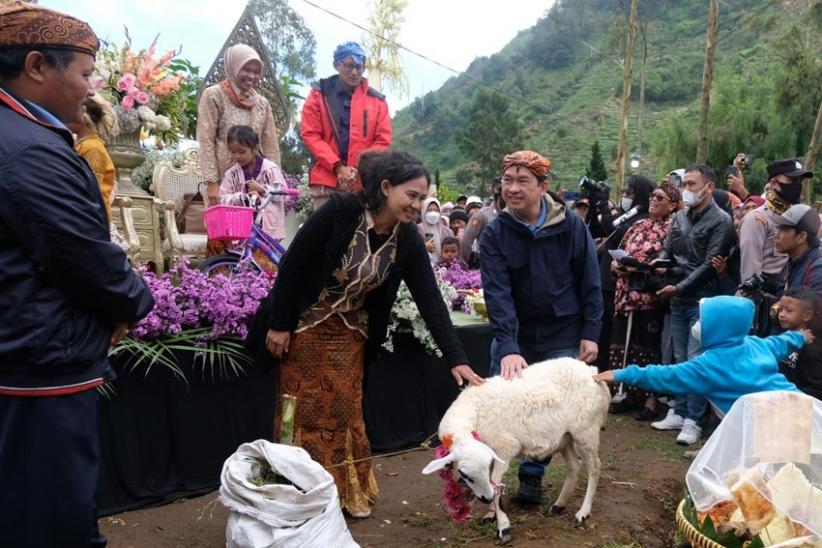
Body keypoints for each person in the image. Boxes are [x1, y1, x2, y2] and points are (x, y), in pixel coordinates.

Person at [245, 150, 482, 518]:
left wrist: (457, 358)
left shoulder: (408, 240)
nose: (417, 206)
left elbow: (430, 300)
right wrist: (279, 324)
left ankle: (343, 493)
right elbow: (293, 265)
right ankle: (300, 495)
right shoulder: (341, 213)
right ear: (386, 188)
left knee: (345, 414)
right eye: (412, 196)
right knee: (306, 413)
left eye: (422, 198)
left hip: (351, 338)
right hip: (304, 330)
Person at [0, 4, 155, 546]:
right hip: (39, 362)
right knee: (53, 520)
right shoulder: (29, 151)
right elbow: (83, 255)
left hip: (25, 348)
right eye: (86, 73)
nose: (93, 88)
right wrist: (133, 301)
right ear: (38, 65)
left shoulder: (23, 131)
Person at [480, 150, 602, 506]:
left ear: (543, 186)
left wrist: (591, 332)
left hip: (563, 329)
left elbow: (589, 282)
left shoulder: (571, 226)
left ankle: (532, 477)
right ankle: (492, 480)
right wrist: (508, 346)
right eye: (507, 181)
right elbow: (497, 294)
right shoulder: (496, 233)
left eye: (523, 181)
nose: (513, 189)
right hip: (515, 331)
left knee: (548, 409)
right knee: (498, 402)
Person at [595, 296, 811, 419]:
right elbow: (780, 343)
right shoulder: (753, 343)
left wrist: (621, 373)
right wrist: (799, 337)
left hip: (766, 424)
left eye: (703, 319)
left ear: (721, 327)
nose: (697, 324)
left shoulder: (709, 367)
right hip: (797, 404)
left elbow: (666, 375)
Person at [650, 165, 734, 446]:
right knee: (678, 357)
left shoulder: (721, 221)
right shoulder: (680, 218)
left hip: (703, 300)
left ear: (709, 187)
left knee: (697, 360)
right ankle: (679, 409)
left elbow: (711, 265)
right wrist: (660, 264)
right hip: (677, 297)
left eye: (692, 184)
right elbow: (668, 249)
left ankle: (693, 421)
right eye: (684, 183)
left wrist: (680, 286)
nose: (686, 189)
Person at [608, 183, 680, 421]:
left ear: (672, 205)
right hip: (625, 294)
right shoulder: (638, 225)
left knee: (648, 348)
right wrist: (617, 266)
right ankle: (626, 394)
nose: (653, 200)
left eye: (660, 198)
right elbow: (619, 250)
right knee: (623, 346)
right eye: (652, 196)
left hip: (650, 297)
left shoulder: (673, 228)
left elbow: (669, 264)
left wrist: (640, 268)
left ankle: (650, 399)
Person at [300, 42, 392, 210]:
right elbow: (310, 134)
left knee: (360, 234)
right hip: (325, 183)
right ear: (337, 65)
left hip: (362, 184)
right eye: (349, 66)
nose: (355, 72)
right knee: (324, 234)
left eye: (359, 67)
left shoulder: (377, 101)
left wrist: (358, 168)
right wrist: (338, 167)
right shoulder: (318, 94)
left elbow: (383, 140)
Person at [198, 44, 281, 205]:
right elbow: (206, 140)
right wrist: (212, 183)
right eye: (246, 70)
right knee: (224, 228)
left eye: (256, 72)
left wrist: (274, 183)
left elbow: (271, 146)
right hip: (223, 183)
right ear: (233, 67)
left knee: (255, 229)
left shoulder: (262, 103)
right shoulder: (214, 95)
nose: (251, 76)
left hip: (256, 186)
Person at [593, 175, 655, 378]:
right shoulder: (625, 214)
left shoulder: (643, 219)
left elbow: (614, 230)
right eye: (623, 193)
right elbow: (601, 228)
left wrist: (603, 204)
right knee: (601, 336)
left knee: (613, 338)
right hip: (605, 280)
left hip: (621, 288)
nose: (625, 197)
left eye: (630, 194)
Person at [771, 203, 822, 401]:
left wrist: (772, 309)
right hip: (793, 348)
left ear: (802, 237)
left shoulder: (817, 267)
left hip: (809, 356)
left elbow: (814, 315)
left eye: (784, 229)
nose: (777, 234)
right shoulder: (793, 261)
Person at [738, 159, 813, 285]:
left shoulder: (800, 217)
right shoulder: (756, 220)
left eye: (800, 181)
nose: (797, 185)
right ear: (773, 183)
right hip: (767, 296)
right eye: (792, 181)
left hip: (798, 293)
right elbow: (750, 275)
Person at [219, 125, 287, 240]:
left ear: (255, 149)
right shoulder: (231, 174)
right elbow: (222, 198)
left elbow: (285, 195)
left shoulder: (270, 169)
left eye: (241, 152)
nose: (237, 156)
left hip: (268, 230)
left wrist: (263, 190)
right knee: (243, 258)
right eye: (233, 152)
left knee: (266, 258)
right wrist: (241, 198)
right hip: (241, 230)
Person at [67, 94, 118, 224]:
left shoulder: (92, 148)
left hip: (90, 220)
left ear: (83, 117)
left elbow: (91, 191)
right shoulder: (83, 145)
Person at [775, 286, 822, 400]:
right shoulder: (781, 338)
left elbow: (816, 389)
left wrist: (788, 398)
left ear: (807, 315)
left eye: (789, 310)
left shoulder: (810, 349)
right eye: (780, 309)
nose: (781, 314)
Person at [460, 177, 503, 269]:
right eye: (499, 190)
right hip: (486, 266)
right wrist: (465, 266)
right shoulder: (482, 215)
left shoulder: (514, 214)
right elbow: (467, 241)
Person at [418, 197, 450, 263]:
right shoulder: (416, 230)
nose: (433, 213)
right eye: (429, 210)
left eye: (436, 210)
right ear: (423, 212)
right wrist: (424, 248)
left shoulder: (447, 231)